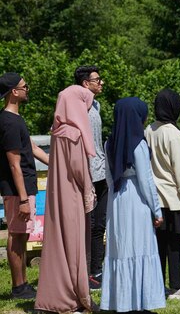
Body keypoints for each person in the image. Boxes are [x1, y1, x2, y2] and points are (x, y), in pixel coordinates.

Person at [100, 97, 166, 313]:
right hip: (136, 200)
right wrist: (156, 210)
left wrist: (112, 204)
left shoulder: (110, 142)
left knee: (120, 250)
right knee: (140, 248)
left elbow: (109, 178)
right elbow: (146, 180)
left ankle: (121, 302)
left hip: (117, 200)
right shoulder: (138, 143)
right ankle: (139, 302)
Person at [35, 85, 97, 313]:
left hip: (56, 195)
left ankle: (51, 297)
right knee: (75, 246)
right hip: (72, 196)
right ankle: (76, 297)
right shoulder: (74, 134)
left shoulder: (58, 130)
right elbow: (79, 170)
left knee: (57, 246)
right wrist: (89, 192)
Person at [145, 88, 180, 300]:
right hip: (174, 198)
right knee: (175, 245)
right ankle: (176, 286)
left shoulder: (149, 130)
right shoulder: (173, 134)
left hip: (156, 199)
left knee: (159, 245)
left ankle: (158, 285)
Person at [0, 72, 49, 299]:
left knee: (23, 235)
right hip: (16, 190)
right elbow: (14, 165)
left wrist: (59, 164)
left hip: (26, 187)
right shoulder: (8, 122)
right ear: (14, 92)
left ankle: (23, 285)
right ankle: (19, 287)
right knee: (16, 235)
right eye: (24, 86)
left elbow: (33, 148)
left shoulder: (16, 120)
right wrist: (22, 199)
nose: (27, 89)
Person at [74, 65, 107, 289]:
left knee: (100, 224)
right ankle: (86, 272)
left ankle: (98, 269)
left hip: (102, 170)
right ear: (86, 83)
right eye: (97, 80)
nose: (101, 83)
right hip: (86, 174)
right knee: (89, 223)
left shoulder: (96, 104)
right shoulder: (77, 107)